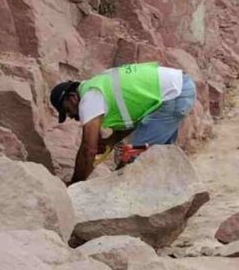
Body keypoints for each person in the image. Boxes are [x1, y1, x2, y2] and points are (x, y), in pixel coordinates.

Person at [49, 63, 197, 183]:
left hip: (174, 94)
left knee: (131, 158)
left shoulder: (90, 97)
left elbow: (88, 149)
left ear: (73, 98)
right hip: (177, 87)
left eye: (68, 110)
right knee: (158, 155)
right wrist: (111, 141)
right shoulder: (98, 85)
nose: (72, 116)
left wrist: (74, 185)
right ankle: (170, 193)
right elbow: (134, 119)